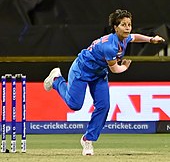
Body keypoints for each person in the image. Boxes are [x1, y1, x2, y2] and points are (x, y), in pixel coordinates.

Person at [44, 9, 165, 156]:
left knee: (104, 106)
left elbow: (134, 37)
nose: (127, 27)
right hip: (82, 70)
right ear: (115, 27)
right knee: (75, 105)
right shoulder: (110, 46)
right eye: (123, 25)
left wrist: (151, 39)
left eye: (129, 24)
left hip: (99, 74)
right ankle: (57, 79)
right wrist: (125, 67)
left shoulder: (124, 37)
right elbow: (115, 69)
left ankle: (88, 139)